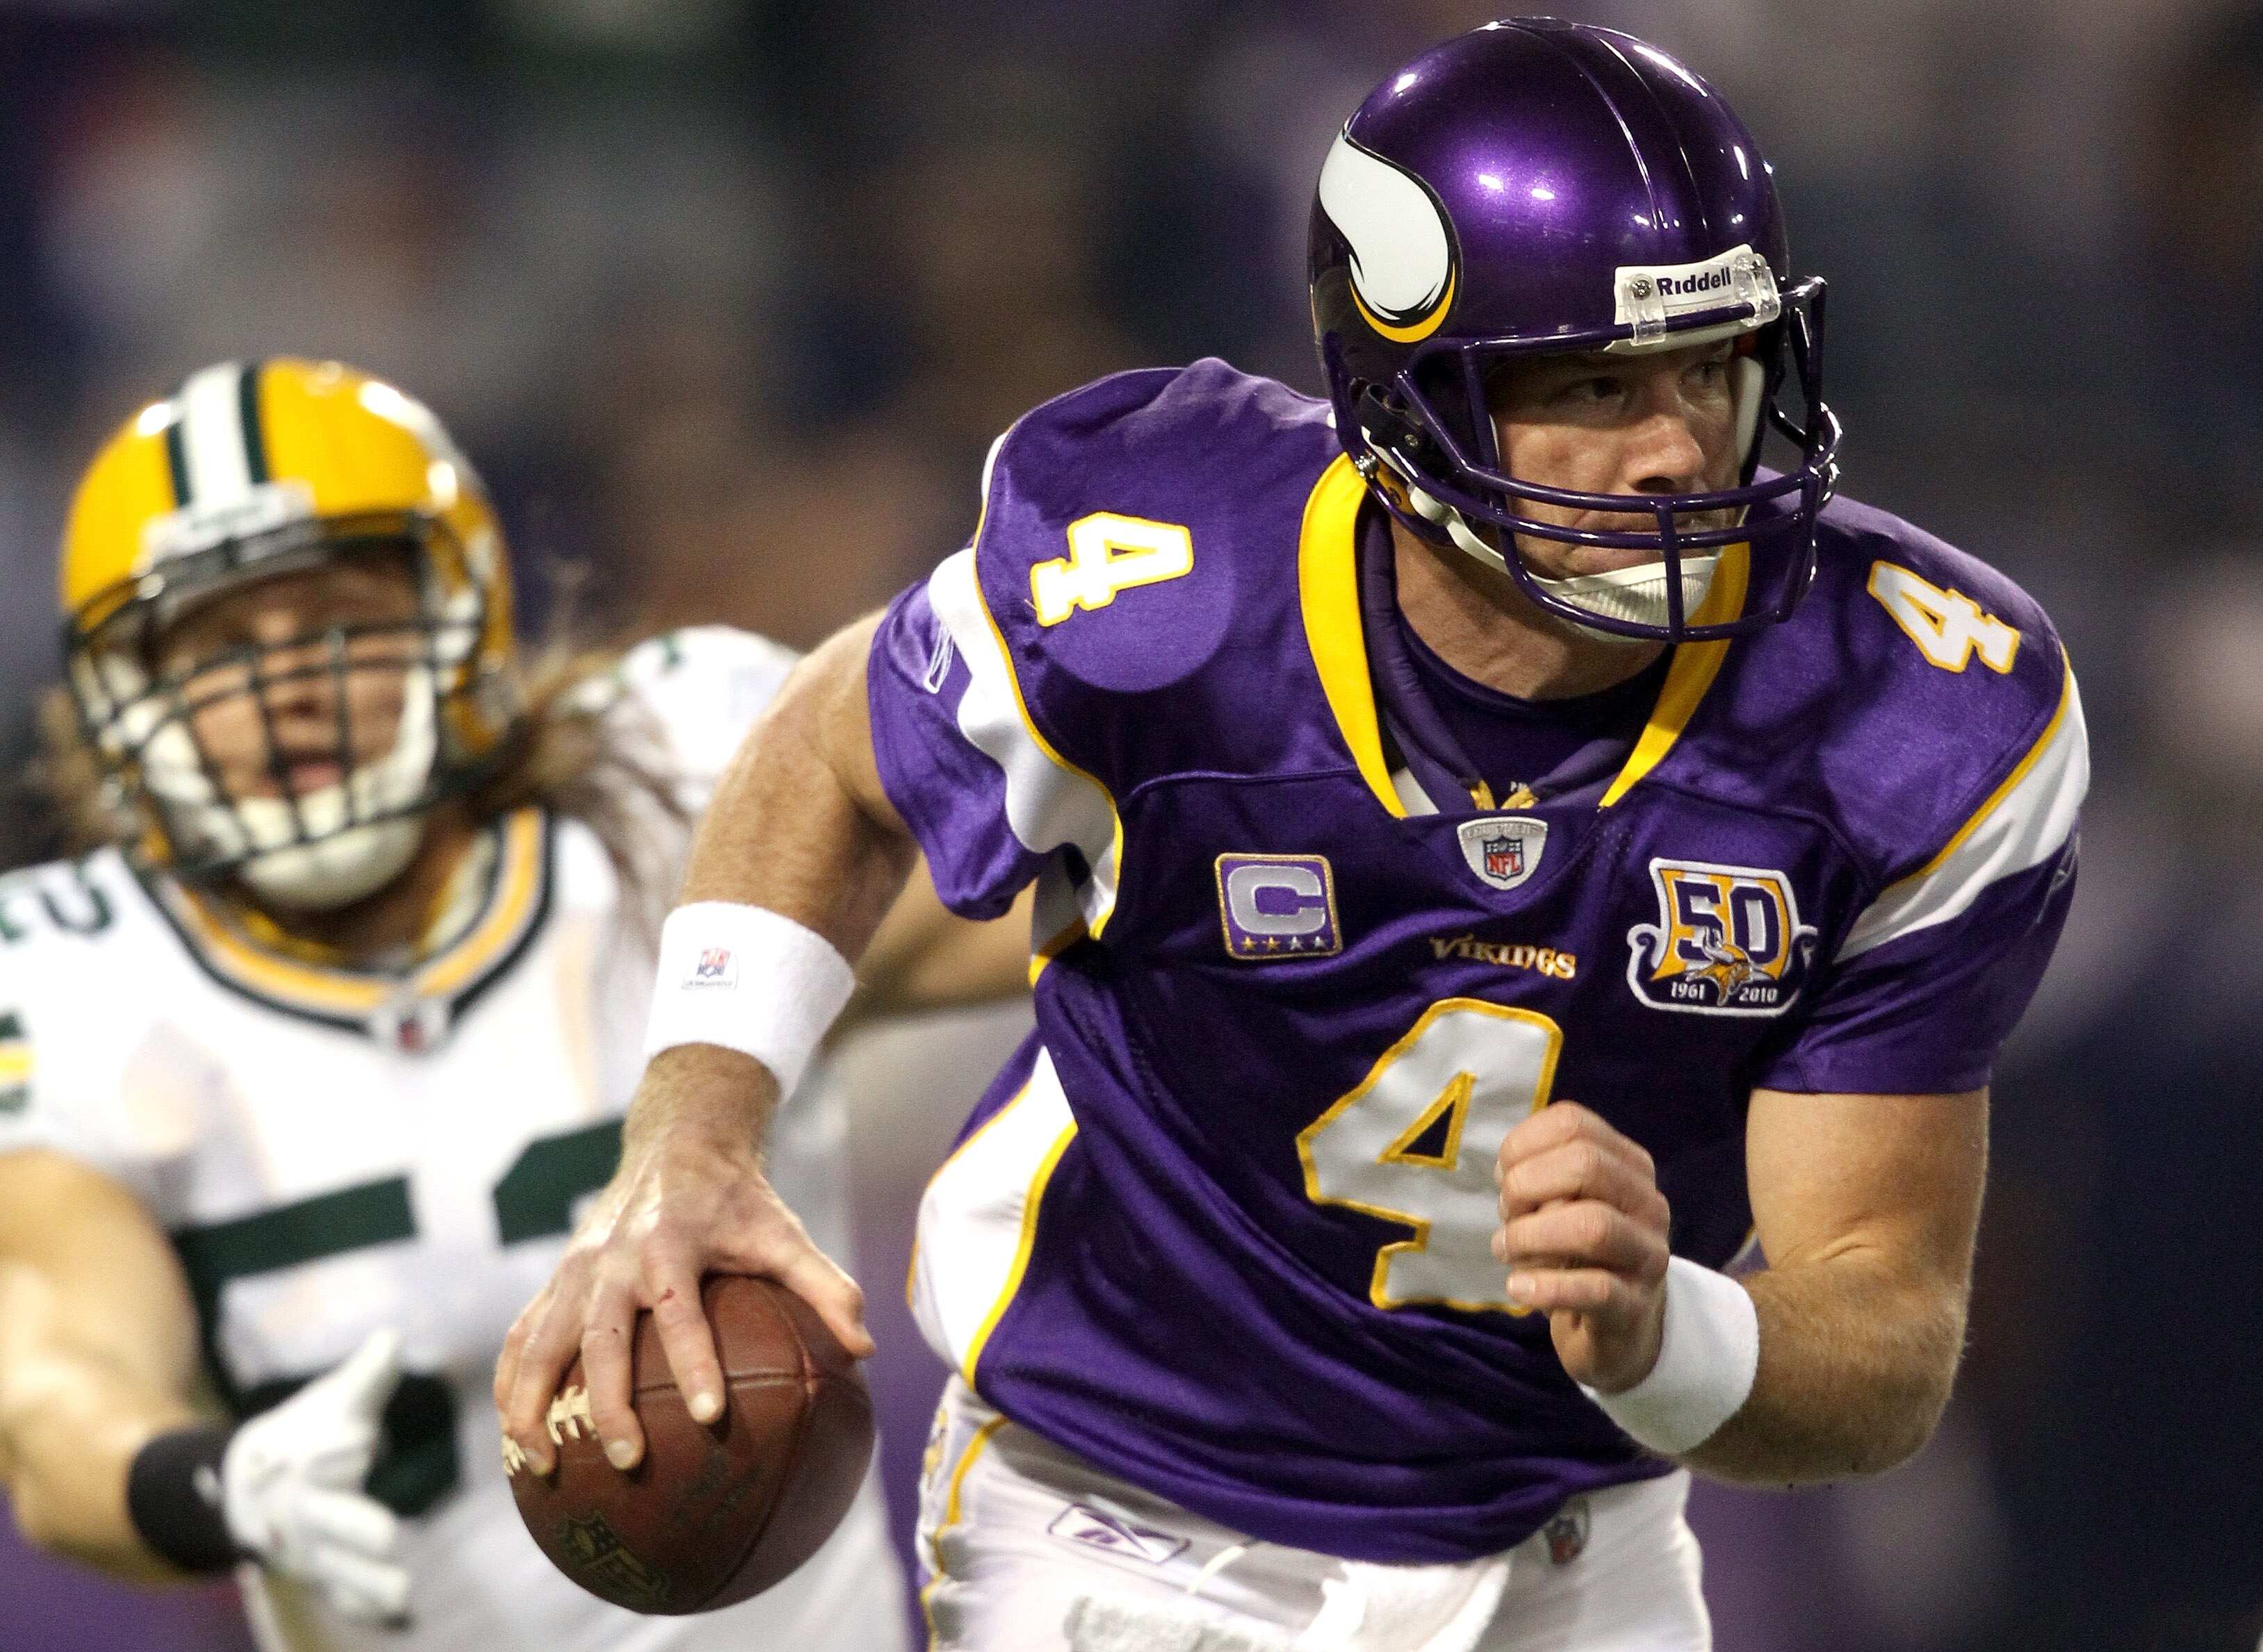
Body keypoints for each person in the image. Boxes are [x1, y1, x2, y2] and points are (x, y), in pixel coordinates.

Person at [497, 22, 2088, 1651]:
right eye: (1594, 383)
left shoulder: (1911, 704)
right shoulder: (1165, 582)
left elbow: (1882, 1332)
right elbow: (829, 752)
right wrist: (693, 1126)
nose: (1679, 443)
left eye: (1712, 363)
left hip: (1567, 1545)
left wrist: (1656, 1322)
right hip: (1121, 1517)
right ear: (1403, 398)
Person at [0, 357, 1027, 1651]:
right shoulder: (84, 980)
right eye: (213, 651)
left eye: (332, 618)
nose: (285, 687)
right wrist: (222, 1481)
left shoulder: (673, 793)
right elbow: (54, 1389)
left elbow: (1057, 902)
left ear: (465, 610)